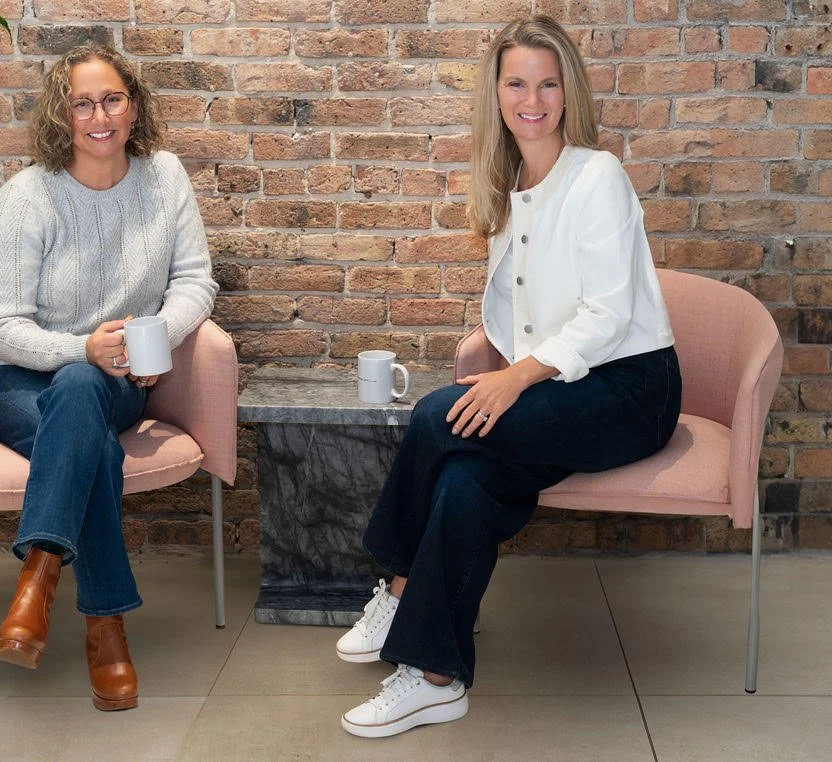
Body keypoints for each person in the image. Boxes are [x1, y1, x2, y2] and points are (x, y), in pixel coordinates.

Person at [335, 15, 682, 738]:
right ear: (496, 94)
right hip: (565, 389)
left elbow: (608, 315)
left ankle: (397, 588)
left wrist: (513, 382)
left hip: (632, 390)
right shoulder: (510, 184)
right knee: (465, 480)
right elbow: (524, 311)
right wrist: (515, 379)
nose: (534, 99)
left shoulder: (597, 175)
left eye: (548, 83)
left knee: (437, 417)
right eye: (518, 83)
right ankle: (436, 677)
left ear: (568, 92)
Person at [0, 44, 217, 712]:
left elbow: (195, 280)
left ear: (134, 106)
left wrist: (152, 338)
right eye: (83, 102)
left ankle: (39, 576)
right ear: (61, 114)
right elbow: (2, 325)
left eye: (112, 99)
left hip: (112, 378)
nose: (99, 116)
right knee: (88, 429)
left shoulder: (163, 177)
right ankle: (104, 626)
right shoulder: (29, 197)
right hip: (8, 381)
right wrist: (83, 346)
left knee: (80, 396)